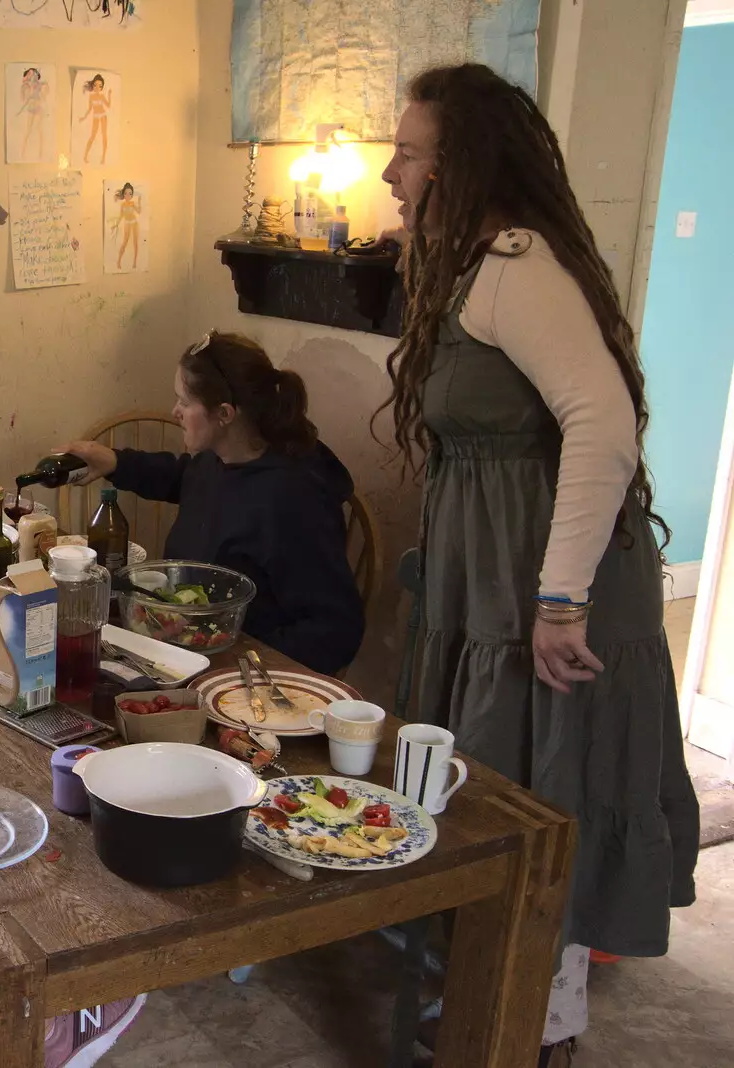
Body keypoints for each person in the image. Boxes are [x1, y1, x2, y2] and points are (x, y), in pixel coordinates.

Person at [378, 63, 699, 1065]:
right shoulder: (474, 265)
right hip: (485, 592)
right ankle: (478, 1011)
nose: (391, 172)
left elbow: (602, 426)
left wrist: (560, 603)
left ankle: (529, 1035)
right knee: (489, 799)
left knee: (535, 805)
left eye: (410, 152)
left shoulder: (518, 263)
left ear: (460, 162)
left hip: (537, 601)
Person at [60, 332, 364, 675]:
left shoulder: (292, 500)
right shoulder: (219, 459)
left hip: (241, 671)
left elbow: (336, 629)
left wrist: (236, 664)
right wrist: (115, 461)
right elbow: (182, 477)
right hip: (189, 648)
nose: (174, 412)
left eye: (184, 402)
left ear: (224, 413)